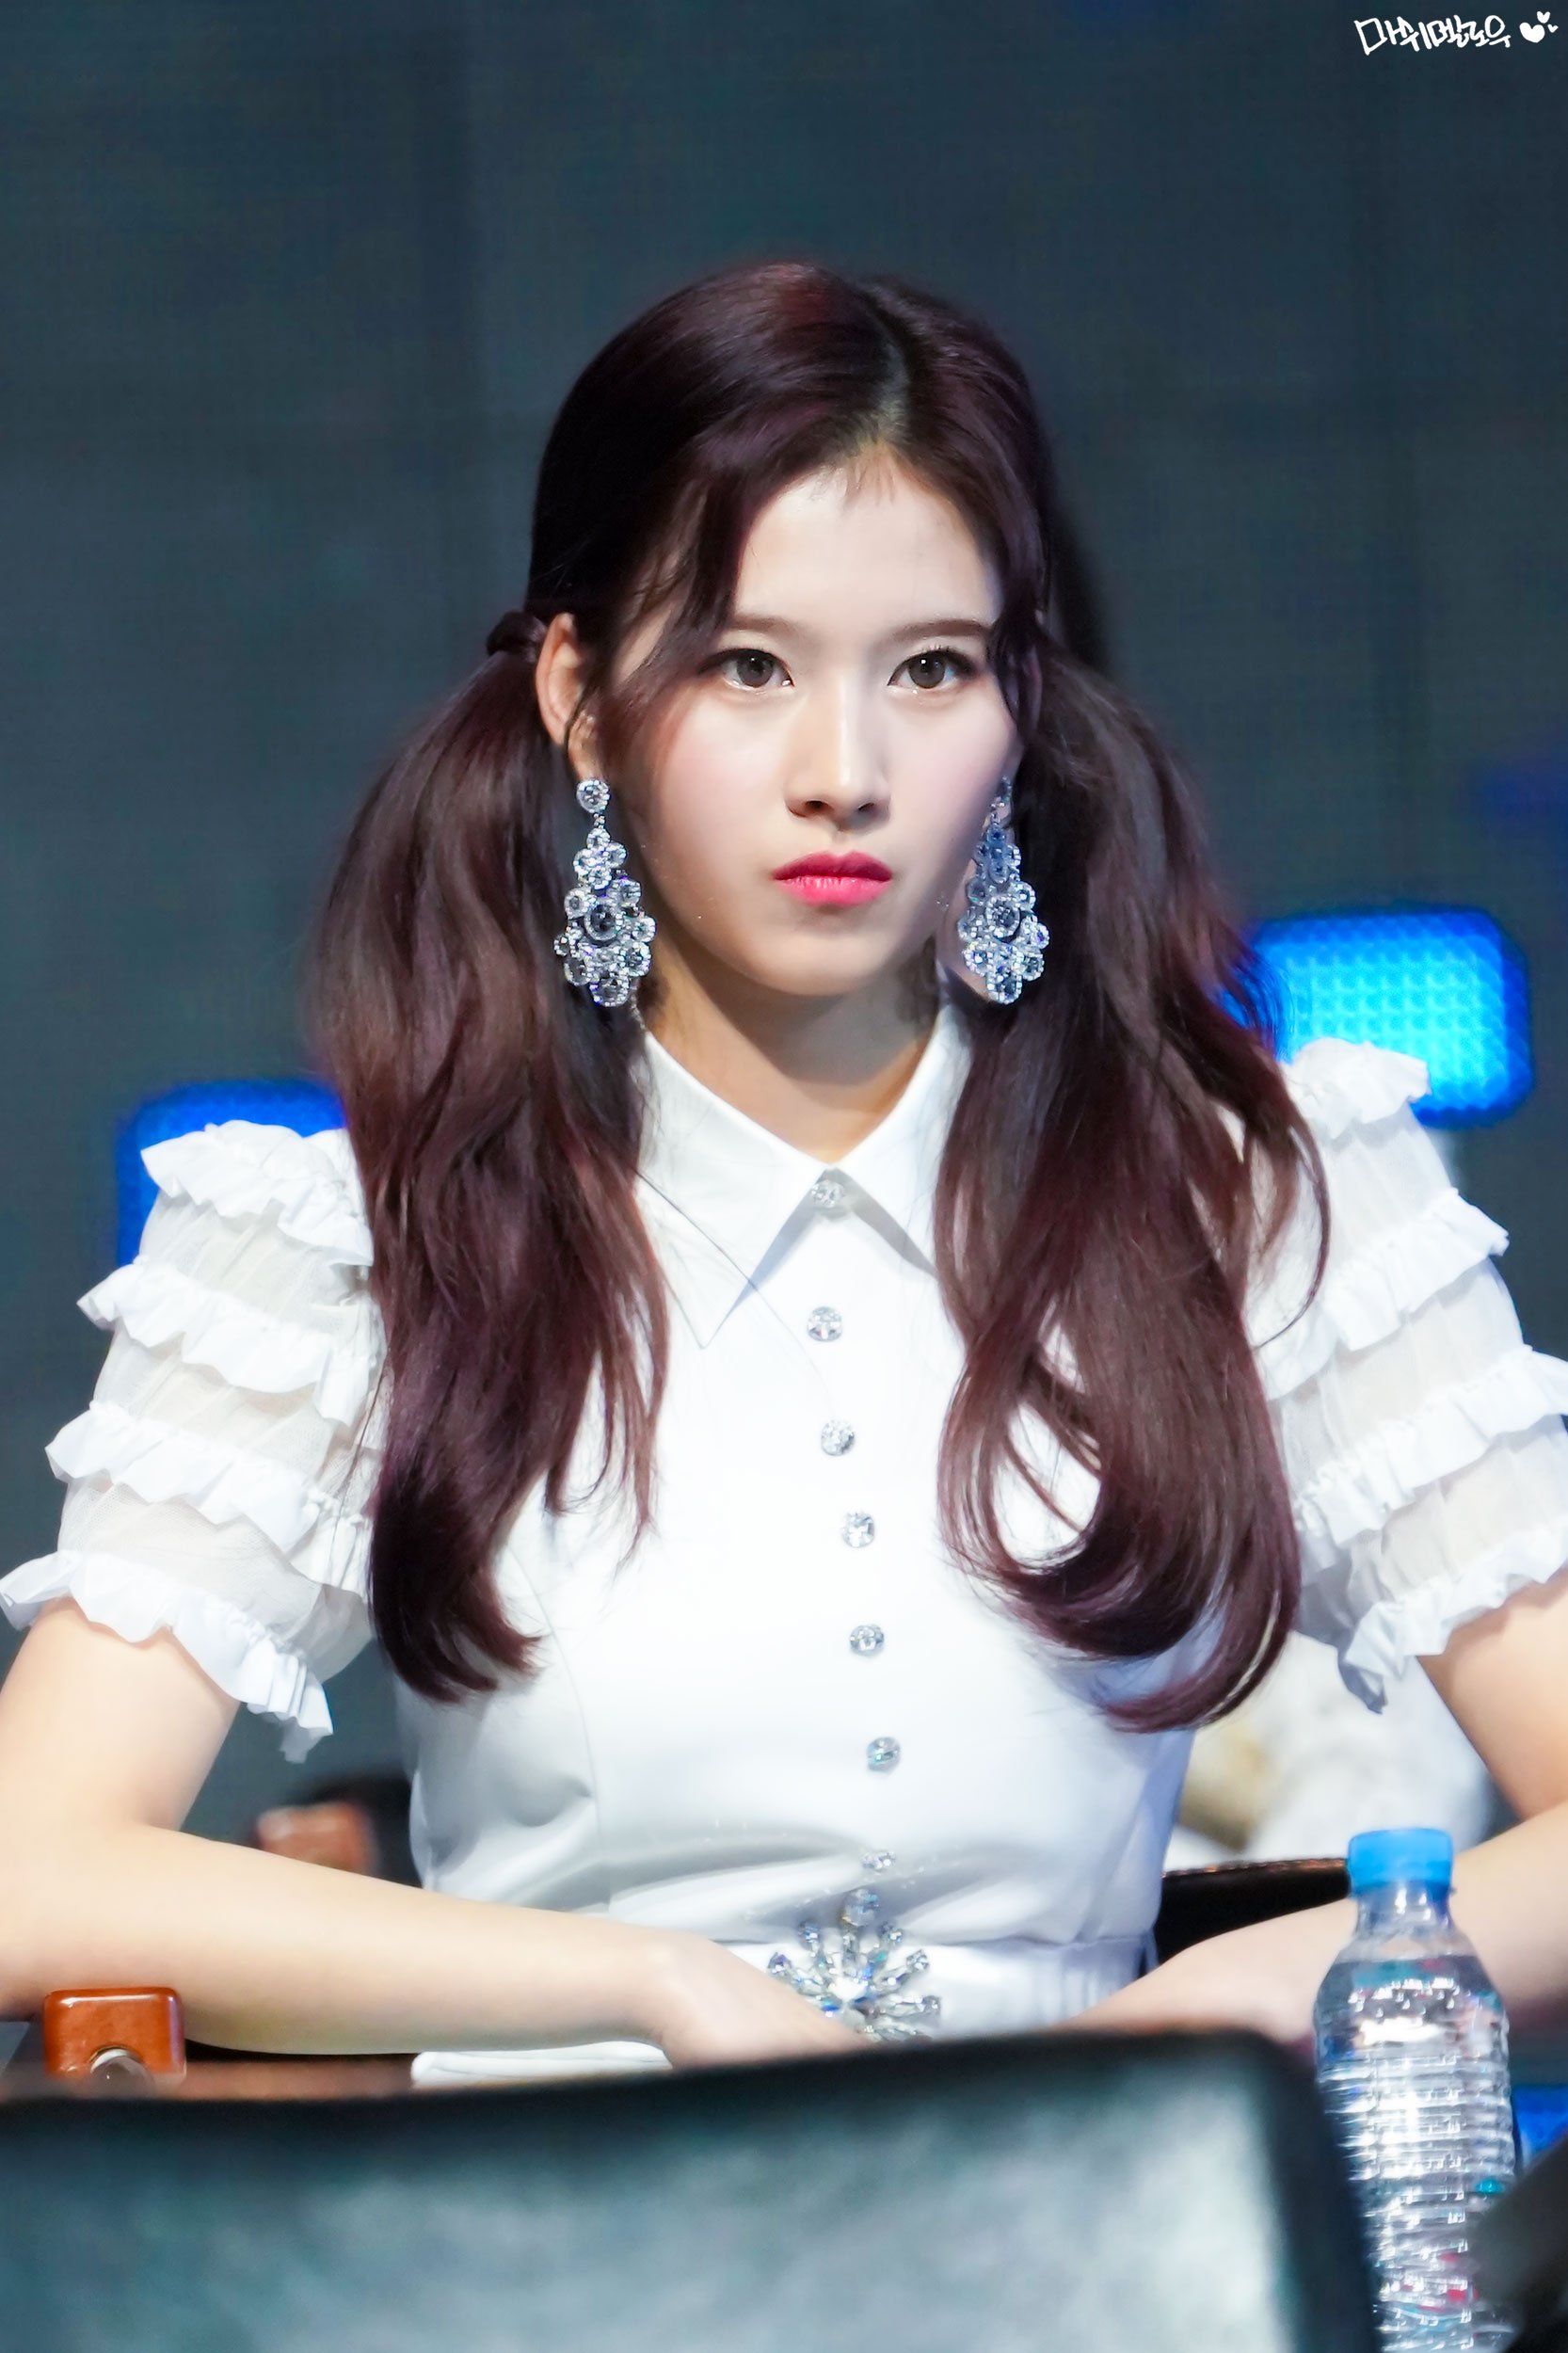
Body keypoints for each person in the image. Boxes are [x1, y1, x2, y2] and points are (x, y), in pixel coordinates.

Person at [4, 259, 1568, 2086]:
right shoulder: (369, 1238)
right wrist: (648, 1985)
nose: (847, 771)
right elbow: (34, 1870)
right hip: (567, 2204)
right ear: (582, 698)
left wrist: (1220, 2006)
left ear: (1018, 703)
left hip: (1107, 2202)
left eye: (930, 669)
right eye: (748, 665)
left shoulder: (1252, 1196)